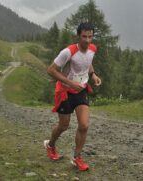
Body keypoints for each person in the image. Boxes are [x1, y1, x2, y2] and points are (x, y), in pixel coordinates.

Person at [43, 22, 102, 171]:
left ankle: (77, 157)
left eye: (90, 36)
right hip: (65, 92)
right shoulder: (68, 52)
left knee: (84, 125)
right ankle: (50, 145)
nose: (87, 40)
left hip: (81, 90)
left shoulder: (93, 49)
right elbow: (51, 70)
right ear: (78, 35)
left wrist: (93, 75)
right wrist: (70, 83)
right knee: (64, 125)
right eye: (84, 36)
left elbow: (87, 63)